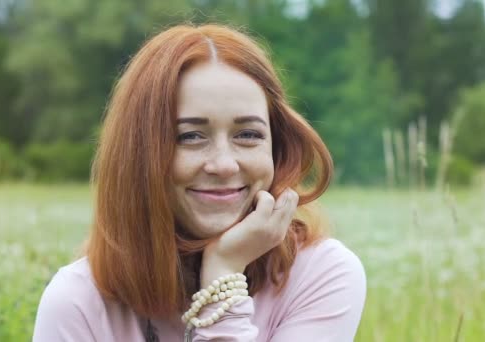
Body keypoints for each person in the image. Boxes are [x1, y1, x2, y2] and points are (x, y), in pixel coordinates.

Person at [32, 23, 366, 342]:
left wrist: (223, 275)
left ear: (277, 148)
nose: (223, 164)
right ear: (138, 155)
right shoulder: (78, 303)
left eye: (248, 135)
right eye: (190, 136)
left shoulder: (321, 275)